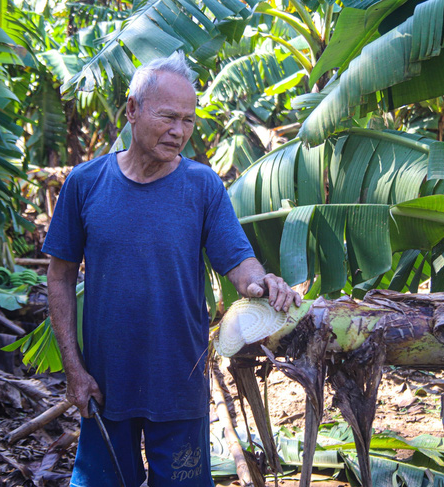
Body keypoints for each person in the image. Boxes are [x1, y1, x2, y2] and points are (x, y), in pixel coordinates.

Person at [43, 51, 301, 486]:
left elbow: (238, 262)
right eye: (168, 117)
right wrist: (74, 369)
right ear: (132, 109)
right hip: (107, 384)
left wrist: (264, 283)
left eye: (188, 121)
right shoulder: (85, 183)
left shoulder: (202, 185)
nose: (179, 131)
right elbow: (60, 276)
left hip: (178, 380)